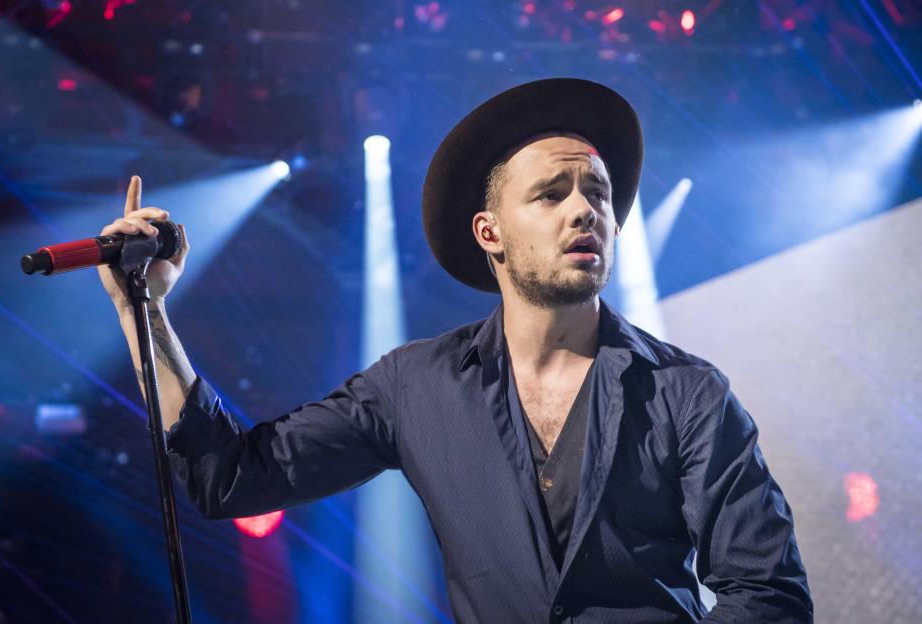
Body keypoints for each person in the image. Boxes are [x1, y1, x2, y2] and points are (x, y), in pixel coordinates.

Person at [99, 79, 813, 623]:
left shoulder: (685, 391)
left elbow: (766, 592)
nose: (583, 209)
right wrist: (147, 310)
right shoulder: (414, 385)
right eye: (550, 193)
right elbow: (231, 478)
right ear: (489, 232)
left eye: (596, 192)